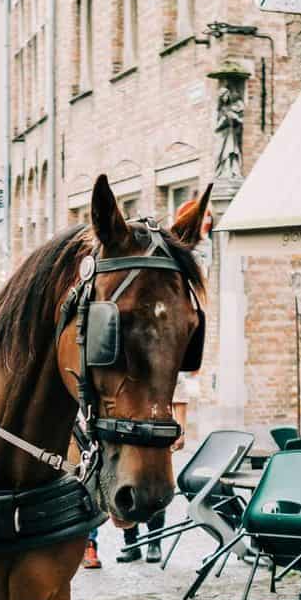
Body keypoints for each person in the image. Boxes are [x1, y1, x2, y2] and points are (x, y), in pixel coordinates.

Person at [117, 190, 213, 565]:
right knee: (125, 475)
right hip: (129, 416)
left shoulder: (166, 344)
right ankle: (131, 541)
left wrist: (181, 424)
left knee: (156, 478)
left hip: (160, 418)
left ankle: (154, 540)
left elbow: (180, 383)